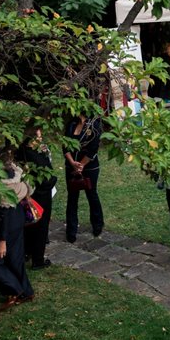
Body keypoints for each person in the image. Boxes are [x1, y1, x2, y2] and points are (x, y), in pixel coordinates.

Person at [0, 150, 35, 310]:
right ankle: (26, 292)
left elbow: (5, 214)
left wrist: (2, 240)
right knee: (15, 258)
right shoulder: (15, 176)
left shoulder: (0, 188)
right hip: (18, 221)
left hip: (8, 226)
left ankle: (14, 290)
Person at [20, 128, 57, 270]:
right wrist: (52, 180)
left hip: (29, 193)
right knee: (41, 226)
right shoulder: (33, 154)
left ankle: (27, 251)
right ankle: (38, 259)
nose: (41, 139)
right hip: (40, 194)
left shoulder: (22, 151)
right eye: (38, 136)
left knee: (29, 223)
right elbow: (48, 176)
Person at [63, 113, 104, 243]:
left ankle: (97, 224)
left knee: (91, 195)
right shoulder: (71, 123)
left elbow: (93, 149)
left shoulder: (94, 125)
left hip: (89, 167)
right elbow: (65, 145)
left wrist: (81, 165)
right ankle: (71, 231)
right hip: (71, 166)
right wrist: (72, 163)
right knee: (72, 197)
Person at [149, 42, 170, 113]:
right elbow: (169, 75)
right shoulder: (167, 59)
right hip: (164, 83)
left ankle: (160, 112)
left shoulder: (160, 57)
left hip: (157, 84)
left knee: (161, 98)